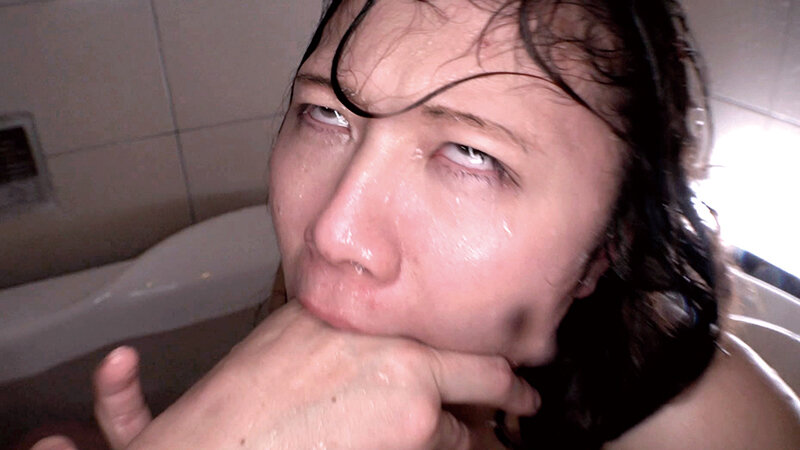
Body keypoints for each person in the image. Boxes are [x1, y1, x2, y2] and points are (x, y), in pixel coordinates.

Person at [33, 0, 800, 448]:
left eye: (472, 154)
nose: (332, 232)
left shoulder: (710, 425)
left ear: (604, 251)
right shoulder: (319, 303)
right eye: (326, 114)